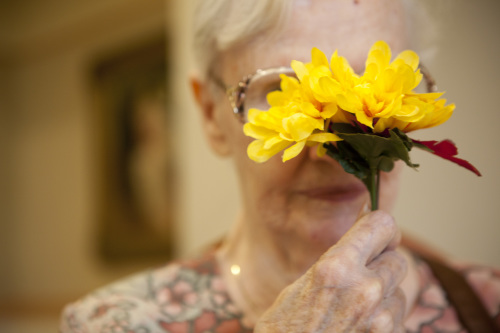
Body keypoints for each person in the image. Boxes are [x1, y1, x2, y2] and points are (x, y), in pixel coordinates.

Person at [60, 0, 500, 332]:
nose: (333, 148)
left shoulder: (488, 303)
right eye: (283, 94)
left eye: (369, 95)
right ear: (211, 115)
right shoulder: (115, 322)